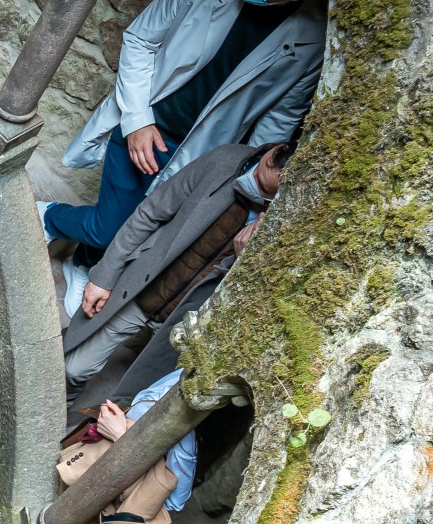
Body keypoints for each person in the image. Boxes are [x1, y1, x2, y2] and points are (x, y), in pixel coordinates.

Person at [45, 0, 326, 252]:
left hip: (199, 154)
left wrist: (249, 191)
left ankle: (83, 266)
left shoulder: (311, 43)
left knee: (142, 234)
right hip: (146, 123)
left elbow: (278, 121)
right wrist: (137, 120)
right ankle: (51, 217)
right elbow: (139, 40)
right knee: (109, 230)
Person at [64, 139, 290, 385]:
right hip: (145, 290)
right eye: (259, 178)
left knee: (134, 401)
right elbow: (149, 213)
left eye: (268, 194)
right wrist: (104, 276)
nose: (255, 187)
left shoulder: (282, 222)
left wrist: (246, 259)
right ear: (273, 153)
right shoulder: (225, 160)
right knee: (73, 369)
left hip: (185, 321)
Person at [56, 368, 199, 524]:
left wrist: (122, 438)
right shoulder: (170, 376)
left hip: (113, 493)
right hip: (91, 474)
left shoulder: (185, 434)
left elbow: (176, 500)